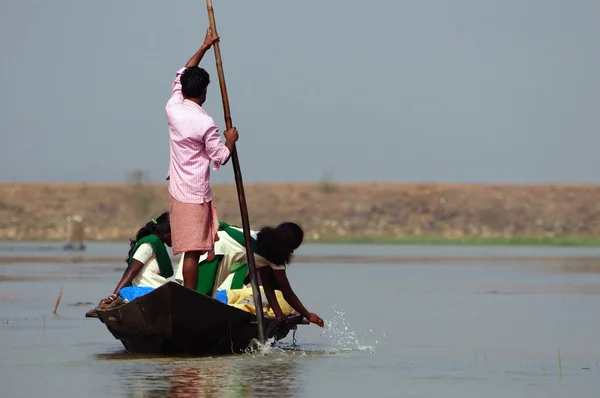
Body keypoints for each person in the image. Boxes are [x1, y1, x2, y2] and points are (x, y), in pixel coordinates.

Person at [166, 27, 239, 292]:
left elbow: (182, 73)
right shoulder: (204, 122)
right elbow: (221, 156)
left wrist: (205, 46)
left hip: (177, 189)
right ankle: (191, 297)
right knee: (193, 252)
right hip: (195, 194)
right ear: (204, 91)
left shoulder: (173, 107)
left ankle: (191, 294)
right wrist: (230, 138)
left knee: (193, 250)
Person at [175, 221, 325, 328]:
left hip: (198, 249)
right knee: (199, 301)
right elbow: (287, 292)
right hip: (213, 253)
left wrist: (279, 314)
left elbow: (268, 287)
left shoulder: (262, 240)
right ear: (292, 247)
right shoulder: (276, 256)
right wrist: (307, 314)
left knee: (193, 299)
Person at [93, 212, 173, 311]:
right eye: (176, 233)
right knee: (125, 292)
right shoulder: (148, 245)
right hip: (148, 294)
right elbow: (132, 272)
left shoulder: (158, 245)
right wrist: (113, 297)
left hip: (158, 292)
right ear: (166, 232)